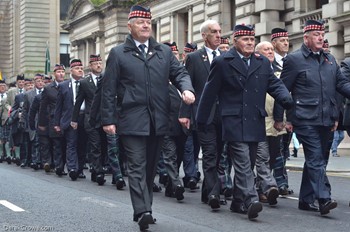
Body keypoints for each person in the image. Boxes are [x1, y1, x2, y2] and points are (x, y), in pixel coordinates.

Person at [100, 5, 195, 231]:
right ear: (130, 25)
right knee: (135, 165)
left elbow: (180, 73)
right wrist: (108, 120)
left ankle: (144, 208)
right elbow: (108, 89)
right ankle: (143, 210)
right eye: (141, 22)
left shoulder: (162, 51)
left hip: (159, 119)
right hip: (132, 119)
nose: (145, 26)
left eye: (148, 22)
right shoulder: (118, 53)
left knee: (150, 168)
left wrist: (186, 89)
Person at [196, 24, 293, 220]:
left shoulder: (262, 62)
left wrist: (286, 99)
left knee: (247, 163)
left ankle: (238, 202)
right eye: (245, 39)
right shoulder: (223, 61)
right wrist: (201, 120)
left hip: (255, 120)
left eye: (252, 39)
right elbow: (209, 93)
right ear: (235, 41)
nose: (250, 43)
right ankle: (250, 199)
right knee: (241, 161)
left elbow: (274, 84)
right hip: (233, 120)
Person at [274, 19, 350, 215]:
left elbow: (341, 85)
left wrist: (335, 116)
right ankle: (324, 198)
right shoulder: (294, 59)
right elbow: (282, 90)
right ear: (306, 38)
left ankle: (306, 199)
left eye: (322, 34)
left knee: (318, 160)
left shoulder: (329, 59)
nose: (321, 37)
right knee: (315, 158)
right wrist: (279, 118)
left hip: (326, 119)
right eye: (316, 35)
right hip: (304, 118)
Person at [179, 19, 226, 210]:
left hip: (223, 114)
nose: (218, 35)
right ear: (204, 35)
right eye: (214, 32)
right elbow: (186, 85)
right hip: (203, 113)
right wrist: (184, 114)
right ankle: (215, 192)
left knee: (218, 155)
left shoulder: (225, 56)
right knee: (209, 153)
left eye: (219, 31)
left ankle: (207, 192)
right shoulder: (194, 58)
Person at [71, 54, 106, 185]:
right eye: (96, 64)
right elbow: (78, 102)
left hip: (104, 119)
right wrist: (74, 120)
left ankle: (96, 171)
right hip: (90, 119)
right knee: (95, 146)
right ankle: (99, 172)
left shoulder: (106, 79)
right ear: (90, 66)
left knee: (103, 145)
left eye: (100, 63)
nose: (98, 66)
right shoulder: (85, 82)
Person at [254, 41, 280, 205]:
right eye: (266, 49)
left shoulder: (279, 71)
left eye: (271, 49)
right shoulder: (254, 70)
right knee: (262, 158)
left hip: (276, 124)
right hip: (259, 122)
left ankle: (260, 188)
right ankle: (269, 187)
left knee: (272, 158)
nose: (270, 51)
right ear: (258, 53)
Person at [270, 27, 293, 195]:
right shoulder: (269, 64)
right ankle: (273, 182)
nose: (286, 43)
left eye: (287, 40)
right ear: (274, 43)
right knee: (274, 150)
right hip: (272, 114)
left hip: (289, 113)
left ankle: (281, 182)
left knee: (284, 150)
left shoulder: (292, 61)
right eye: (282, 41)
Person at [54, 59, 86, 181]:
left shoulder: (86, 83)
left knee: (82, 145)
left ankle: (80, 169)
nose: (80, 71)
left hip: (84, 117)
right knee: (71, 144)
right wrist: (57, 123)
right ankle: (72, 168)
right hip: (70, 119)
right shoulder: (63, 86)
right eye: (77, 69)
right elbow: (59, 107)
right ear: (71, 70)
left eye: (82, 69)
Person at [38, 64, 67, 176]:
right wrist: (42, 123)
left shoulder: (68, 85)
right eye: (58, 72)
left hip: (66, 119)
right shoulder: (48, 88)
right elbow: (43, 107)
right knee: (57, 145)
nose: (61, 74)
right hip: (54, 120)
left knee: (66, 144)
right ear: (54, 74)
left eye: (62, 72)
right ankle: (59, 166)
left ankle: (62, 164)